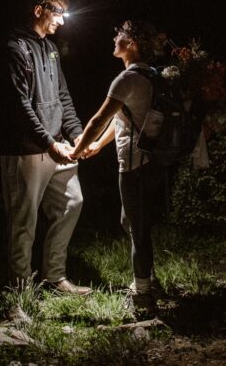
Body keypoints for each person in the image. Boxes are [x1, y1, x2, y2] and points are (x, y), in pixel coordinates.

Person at [0, 0, 91, 295]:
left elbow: (62, 96)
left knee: (72, 202)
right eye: (58, 13)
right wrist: (50, 142)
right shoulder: (15, 47)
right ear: (39, 10)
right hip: (26, 150)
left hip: (57, 146)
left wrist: (76, 134)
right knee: (23, 221)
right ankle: (19, 292)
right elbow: (19, 104)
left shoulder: (49, 48)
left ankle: (54, 276)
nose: (61, 21)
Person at [70, 20, 165, 315]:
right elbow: (124, 117)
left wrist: (75, 150)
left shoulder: (126, 79)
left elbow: (97, 120)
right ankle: (149, 279)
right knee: (132, 222)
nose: (115, 39)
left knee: (137, 227)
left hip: (135, 164)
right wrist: (98, 146)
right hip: (151, 161)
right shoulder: (151, 75)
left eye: (120, 36)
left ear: (132, 43)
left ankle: (143, 295)